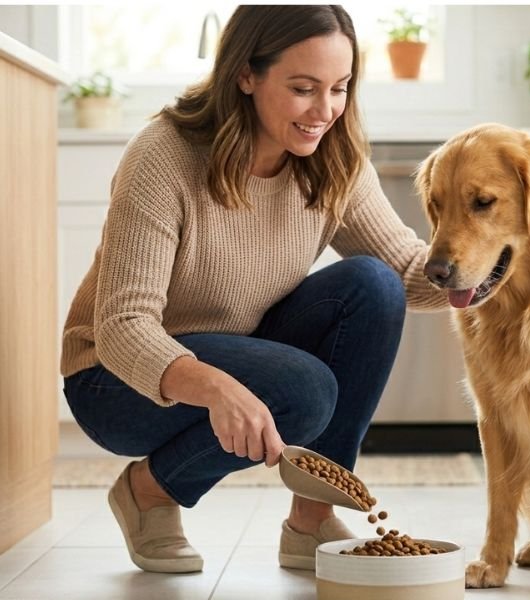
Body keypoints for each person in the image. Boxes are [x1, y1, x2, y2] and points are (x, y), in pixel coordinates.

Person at [60, 5, 447, 574]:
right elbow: (122, 329)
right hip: (114, 379)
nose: (325, 111)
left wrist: (494, 264)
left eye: (339, 88)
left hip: (242, 354)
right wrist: (216, 388)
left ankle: (311, 520)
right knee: (306, 390)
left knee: (373, 284)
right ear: (246, 74)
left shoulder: (333, 158)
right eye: (303, 88)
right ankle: (149, 492)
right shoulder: (163, 155)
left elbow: (409, 272)